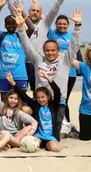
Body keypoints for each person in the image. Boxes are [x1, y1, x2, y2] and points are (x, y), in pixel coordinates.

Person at [16, 9, 81, 138]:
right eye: (47, 50)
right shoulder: (38, 60)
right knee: (25, 112)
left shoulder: (65, 61)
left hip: (57, 102)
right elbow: (27, 46)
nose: (50, 53)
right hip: (41, 101)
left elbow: (74, 46)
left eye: (53, 50)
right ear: (43, 51)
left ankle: (66, 127)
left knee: (56, 136)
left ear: (58, 51)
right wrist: (21, 29)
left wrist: (77, 27)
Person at [7, 71, 62, 152]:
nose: (40, 99)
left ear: (48, 96)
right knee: (32, 147)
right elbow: (23, 95)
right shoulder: (35, 105)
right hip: (38, 135)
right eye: (38, 97)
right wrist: (12, 82)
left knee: (55, 149)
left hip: (50, 136)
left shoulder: (53, 105)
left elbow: (57, 91)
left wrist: (48, 78)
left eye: (43, 97)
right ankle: (41, 143)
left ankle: (46, 144)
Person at [72, 46, 91, 142]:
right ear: (89, 59)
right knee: (84, 138)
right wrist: (56, 52)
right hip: (86, 111)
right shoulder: (86, 68)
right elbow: (69, 59)